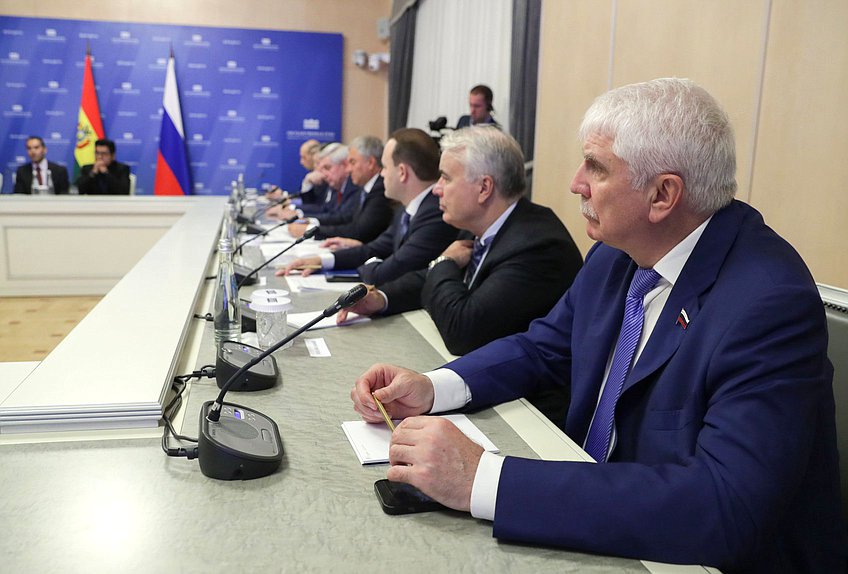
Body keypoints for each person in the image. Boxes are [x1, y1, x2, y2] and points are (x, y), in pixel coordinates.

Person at [350, 78, 846, 573]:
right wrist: (432, 388)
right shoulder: (615, 253)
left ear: (663, 195)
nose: (575, 183)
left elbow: (725, 505)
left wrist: (482, 479)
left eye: (596, 166)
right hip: (600, 522)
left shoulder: (768, 302)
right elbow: (544, 346)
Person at [341, 127, 582, 389]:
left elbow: (462, 330)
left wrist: (444, 263)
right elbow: (432, 277)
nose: (436, 190)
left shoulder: (537, 245)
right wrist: (382, 299)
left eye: (445, 178)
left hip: (532, 405)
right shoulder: (482, 224)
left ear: (484, 188)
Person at [280, 128, 459, 285]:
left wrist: (370, 264)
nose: (382, 174)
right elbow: (375, 249)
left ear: (402, 172)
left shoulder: (434, 212)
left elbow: (388, 271)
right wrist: (322, 260)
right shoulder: (407, 210)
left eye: (386, 167)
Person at [287, 136, 395, 243]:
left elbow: (359, 231)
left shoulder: (378, 189)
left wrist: (312, 230)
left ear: (370, 163)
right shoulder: (365, 187)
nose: (349, 169)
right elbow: (345, 218)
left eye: (352, 162)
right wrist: (310, 223)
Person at [267, 143, 360, 225]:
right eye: (318, 165)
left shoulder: (353, 185)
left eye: (327, 167)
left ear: (345, 165)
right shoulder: (336, 183)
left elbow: (339, 217)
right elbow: (327, 209)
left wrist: (300, 215)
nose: (321, 172)